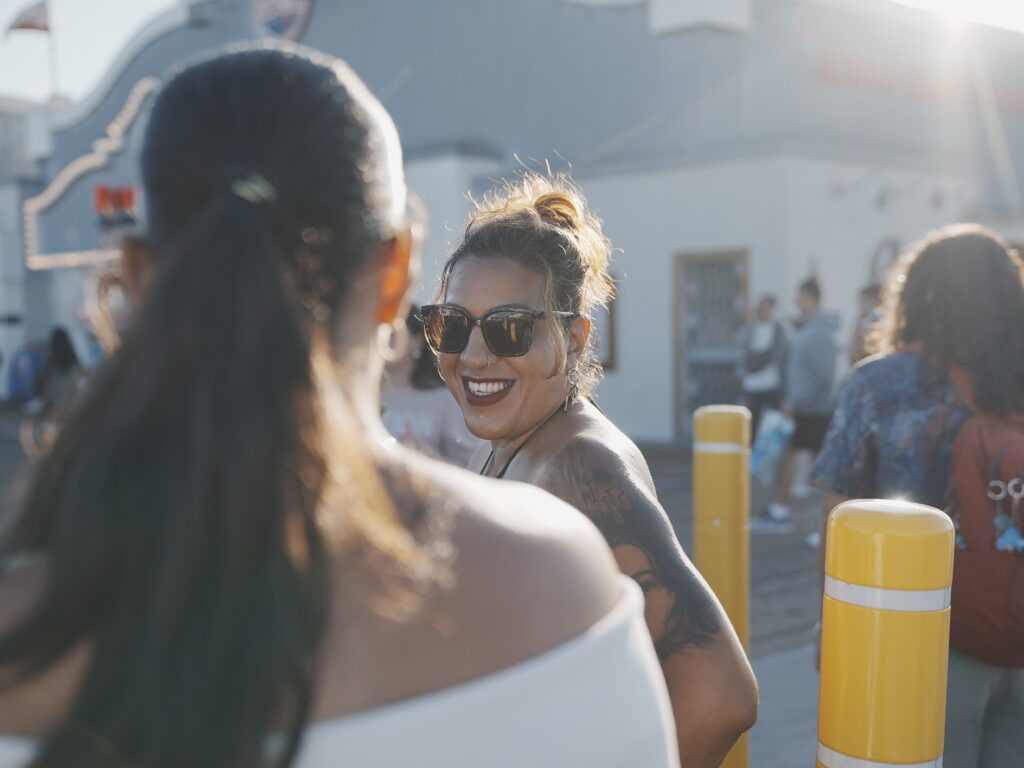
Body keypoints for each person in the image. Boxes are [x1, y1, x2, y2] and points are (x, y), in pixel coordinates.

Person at [0, 46, 681, 768]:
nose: (478, 355)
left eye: (509, 330)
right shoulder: (553, 578)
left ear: (138, 276)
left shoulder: (23, 633)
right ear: (398, 275)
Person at [423, 173, 758, 767]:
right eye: (451, 324)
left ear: (573, 338)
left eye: (508, 327)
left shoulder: (581, 466)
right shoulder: (514, 438)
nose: (473, 355)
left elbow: (719, 696)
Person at [810, 224, 1024, 768]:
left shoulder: (879, 384)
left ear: (917, 295)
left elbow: (840, 513)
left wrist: (830, 624)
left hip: (917, 635)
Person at [752, 276, 837, 533]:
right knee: (795, 459)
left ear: (810, 298)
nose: (796, 302)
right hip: (804, 407)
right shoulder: (808, 329)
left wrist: (795, 401)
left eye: (800, 297)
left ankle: (827, 524)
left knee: (824, 470)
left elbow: (823, 375)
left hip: (812, 410)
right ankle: (782, 511)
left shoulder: (819, 332)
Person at [381, 310, 482, 466]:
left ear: (417, 341)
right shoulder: (362, 395)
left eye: (393, 333)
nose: (384, 340)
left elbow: (471, 466)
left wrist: (430, 459)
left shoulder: (446, 398)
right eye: (380, 332)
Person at [737, 295, 786, 438]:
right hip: (753, 385)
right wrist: (764, 357)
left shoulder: (778, 329)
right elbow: (746, 356)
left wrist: (759, 358)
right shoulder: (750, 330)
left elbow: (777, 356)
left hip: (772, 384)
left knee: (774, 424)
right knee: (753, 425)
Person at [848, 283, 882, 365]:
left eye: (864, 301)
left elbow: (858, 352)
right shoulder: (863, 321)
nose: (860, 305)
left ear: (875, 302)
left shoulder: (877, 322)